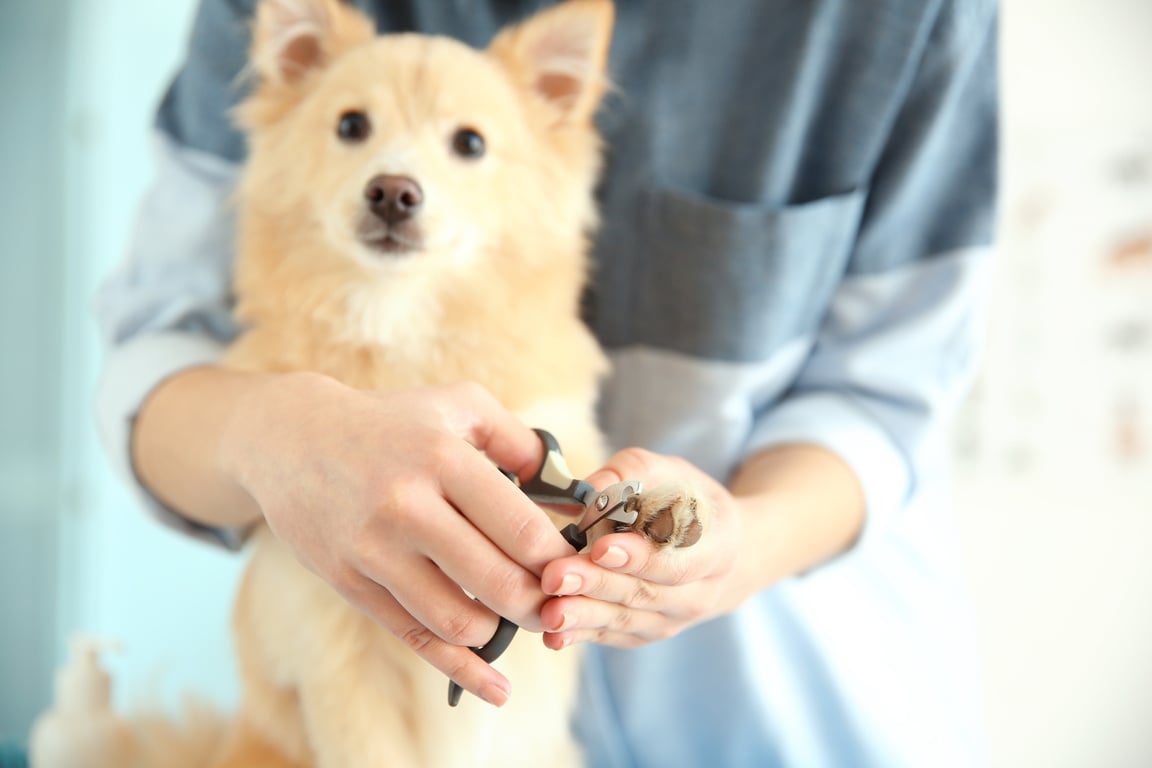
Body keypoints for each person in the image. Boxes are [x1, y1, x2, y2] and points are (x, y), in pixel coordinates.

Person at [96, 0, 998, 765]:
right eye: (353, 126)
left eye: (466, 142)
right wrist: (268, 430)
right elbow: (151, 348)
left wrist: (747, 540)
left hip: (791, 713)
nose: (396, 181)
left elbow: (889, 389)